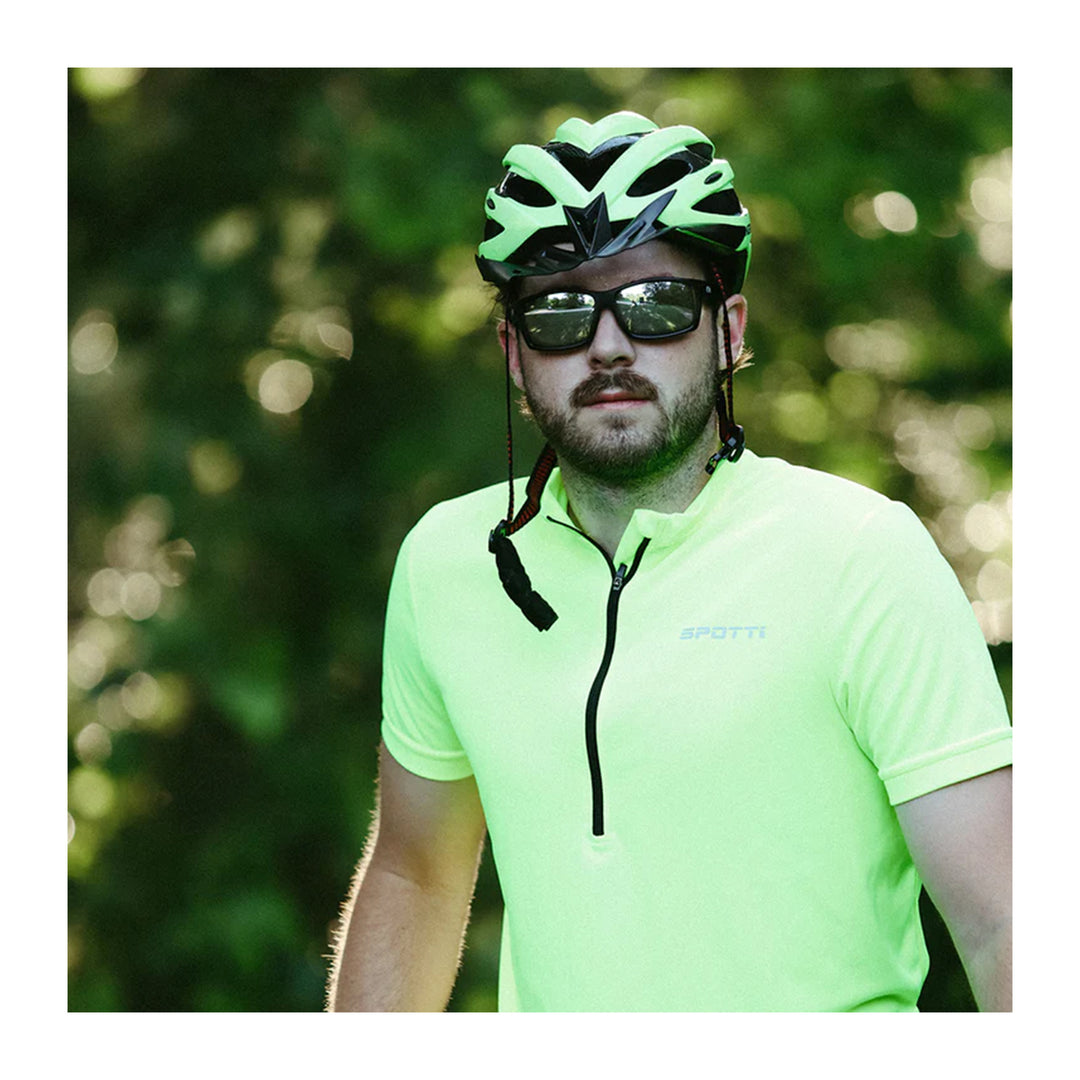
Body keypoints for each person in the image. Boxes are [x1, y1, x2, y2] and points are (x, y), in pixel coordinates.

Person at [327, 110, 1012, 1012]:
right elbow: (415, 873)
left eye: (656, 304)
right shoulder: (444, 565)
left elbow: (1006, 922)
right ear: (514, 354)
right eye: (561, 312)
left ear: (728, 332)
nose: (609, 344)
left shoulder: (859, 554)